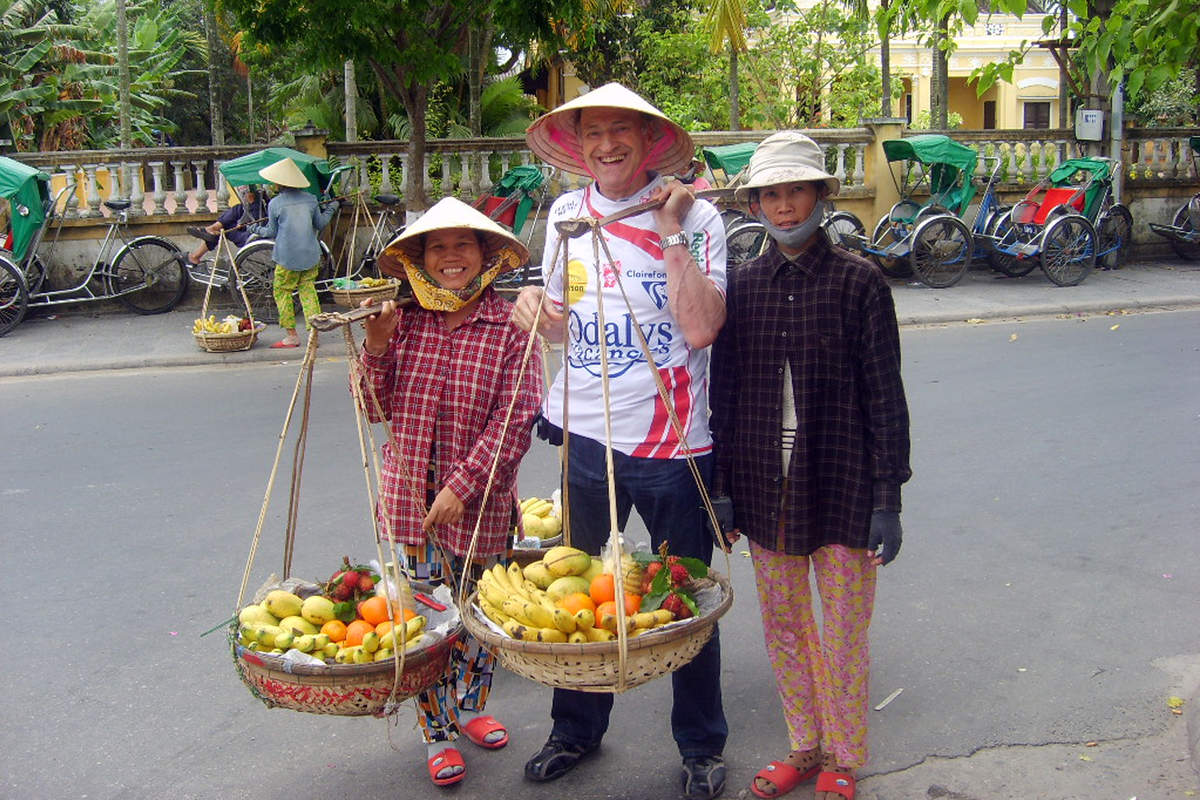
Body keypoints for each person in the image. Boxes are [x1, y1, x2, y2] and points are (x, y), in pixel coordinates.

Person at [511, 82, 730, 800]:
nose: (605, 146)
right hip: (583, 437)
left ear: (648, 140)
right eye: (592, 134)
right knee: (575, 591)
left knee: (682, 600)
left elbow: (700, 328)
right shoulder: (566, 214)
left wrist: (670, 230)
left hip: (670, 444)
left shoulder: (696, 216)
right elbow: (558, 318)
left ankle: (701, 746)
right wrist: (533, 307)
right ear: (578, 146)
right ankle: (574, 730)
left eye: (619, 132)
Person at [708, 131, 912, 800]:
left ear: (821, 196)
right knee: (786, 628)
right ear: (756, 204)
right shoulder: (742, 286)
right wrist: (723, 489)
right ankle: (804, 744)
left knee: (844, 633)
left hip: (844, 485)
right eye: (771, 194)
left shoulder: (860, 282)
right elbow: (725, 394)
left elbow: (885, 394)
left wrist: (888, 500)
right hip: (765, 490)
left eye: (796, 190)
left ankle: (843, 757)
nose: (784, 205)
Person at [359, 195, 544, 788]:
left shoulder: (511, 327)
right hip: (411, 504)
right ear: (421, 260)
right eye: (437, 247)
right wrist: (377, 346)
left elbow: (516, 419)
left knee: (481, 616)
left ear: (486, 255)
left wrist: (463, 486)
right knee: (427, 623)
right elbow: (373, 408)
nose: (451, 257)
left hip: (482, 505)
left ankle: (471, 704)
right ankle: (436, 731)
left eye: (463, 244)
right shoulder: (402, 320)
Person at [246, 158, 336, 348]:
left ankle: (292, 336)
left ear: (280, 183)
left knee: (282, 291)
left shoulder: (275, 204)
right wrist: (331, 208)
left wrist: (254, 229)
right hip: (311, 255)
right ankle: (314, 335)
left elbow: (271, 232)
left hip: (287, 258)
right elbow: (320, 223)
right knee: (308, 291)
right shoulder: (311, 199)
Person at [183, 185, 266, 268]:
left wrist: (243, 225)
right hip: (252, 229)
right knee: (237, 209)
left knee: (221, 229)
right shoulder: (260, 203)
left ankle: (196, 254)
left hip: (253, 235)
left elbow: (258, 222)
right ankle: (212, 230)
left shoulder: (262, 205)